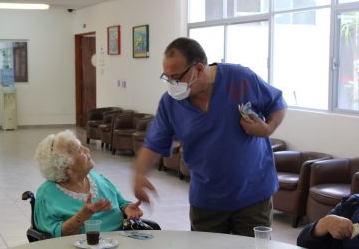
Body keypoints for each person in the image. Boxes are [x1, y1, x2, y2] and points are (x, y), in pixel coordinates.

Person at [133, 37, 287, 237]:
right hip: (207, 198)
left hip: (253, 194)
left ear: (198, 69)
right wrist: (139, 175)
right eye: (167, 77)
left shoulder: (240, 79)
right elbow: (153, 143)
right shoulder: (171, 103)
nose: (172, 84)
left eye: (177, 77)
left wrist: (267, 129)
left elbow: (277, 104)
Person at [34, 130, 143, 237]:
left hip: (120, 240)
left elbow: (121, 202)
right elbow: (52, 237)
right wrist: (83, 216)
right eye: (79, 150)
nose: (87, 149)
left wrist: (127, 208)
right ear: (65, 167)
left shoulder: (97, 178)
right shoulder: (46, 195)